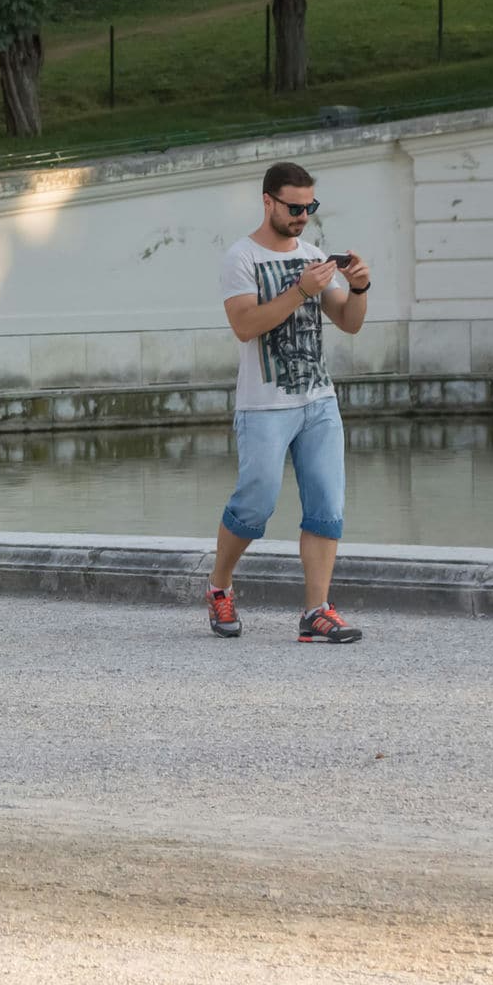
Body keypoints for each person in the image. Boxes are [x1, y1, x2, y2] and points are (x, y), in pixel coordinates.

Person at [207, 161, 371, 644]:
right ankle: (219, 586)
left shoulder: (314, 254)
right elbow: (245, 326)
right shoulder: (241, 257)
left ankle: (316, 612)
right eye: (294, 208)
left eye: (309, 207)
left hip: (318, 401)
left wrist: (359, 287)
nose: (303, 216)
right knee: (255, 504)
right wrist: (301, 290)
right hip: (264, 405)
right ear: (268, 202)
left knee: (327, 506)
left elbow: (349, 322)